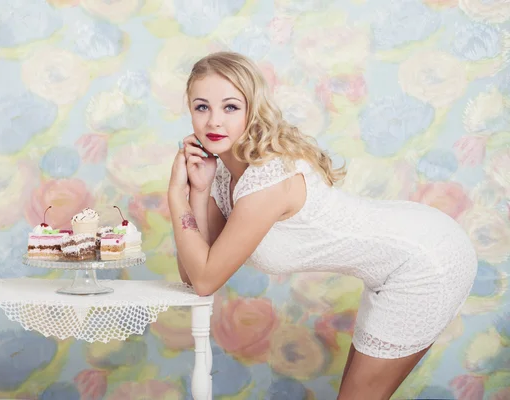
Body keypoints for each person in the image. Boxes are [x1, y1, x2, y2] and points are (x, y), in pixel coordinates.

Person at [167, 51, 477, 400]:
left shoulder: (267, 179)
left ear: (252, 110)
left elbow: (207, 280)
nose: (214, 123)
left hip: (425, 258)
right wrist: (200, 190)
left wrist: (177, 196)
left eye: (230, 107)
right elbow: (192, 275)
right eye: (202, 107)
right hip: (393, 264)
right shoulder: (225, 175)